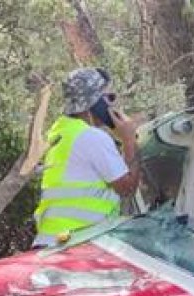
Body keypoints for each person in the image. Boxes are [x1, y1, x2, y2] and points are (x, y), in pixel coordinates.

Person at [33, 67, 140, 247]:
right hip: (76, 242)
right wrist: (129, 140)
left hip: (53, 241)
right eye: (109, 98)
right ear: (96, 103)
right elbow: (127, 189)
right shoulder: (91, 137)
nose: (112, 106)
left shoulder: (61, 131)